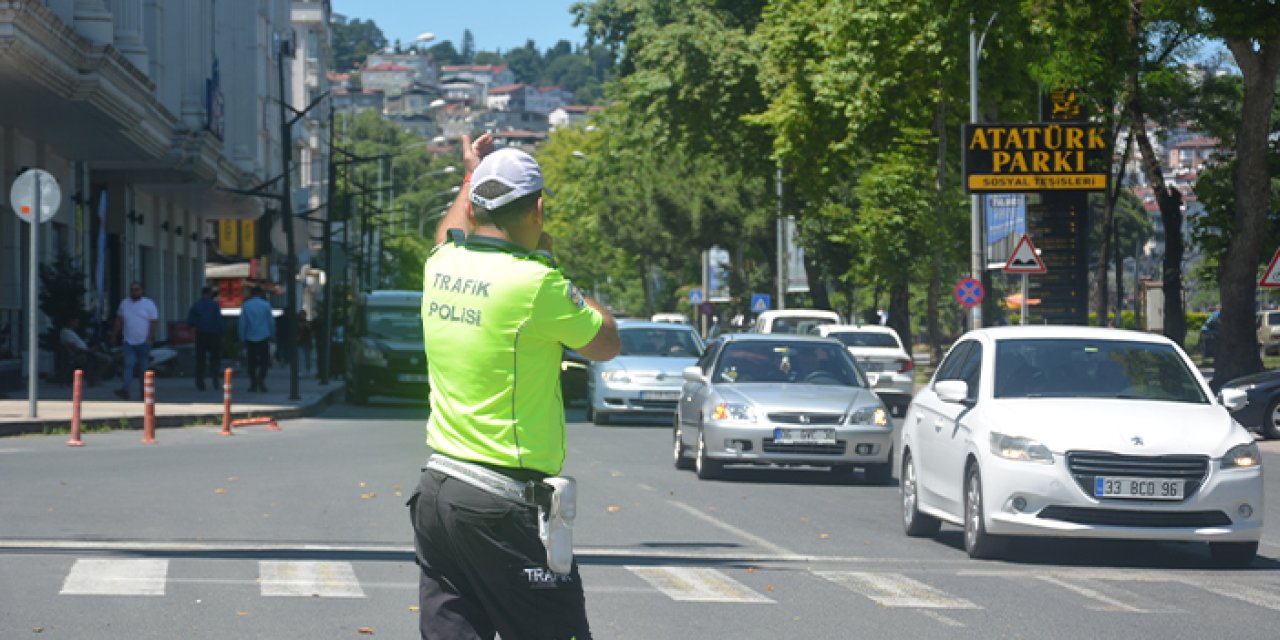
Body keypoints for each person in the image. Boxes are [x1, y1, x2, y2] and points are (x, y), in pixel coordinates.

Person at [409, 135, 620, 640]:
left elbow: (449, 231)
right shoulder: (534, 283)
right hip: (500, 504)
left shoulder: (441, 265)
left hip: (438, 493)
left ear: (477, 202)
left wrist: (470, 173)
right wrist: (556, 271)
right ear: (539, 208)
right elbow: (606, 341)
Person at [112, 281, 159, 400]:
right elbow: (119, 320)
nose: (134, 292)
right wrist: (114, 335)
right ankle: (125, 389)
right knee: (128, 365)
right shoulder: (124, 304)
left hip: (143, 341)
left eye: (137, 289)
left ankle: (144, 392)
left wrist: (150, 338)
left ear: (142, 291)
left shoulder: (148, 304)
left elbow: (154, 322)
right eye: (132, 289)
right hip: (128, 341)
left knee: (143, 367)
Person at [187, 286, 223, 391]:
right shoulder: (214, 305)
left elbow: (190, 321)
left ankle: (200, 382)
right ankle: (215, 379)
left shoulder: (196, 305)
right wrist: (222, 334)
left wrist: (196, 326)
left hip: (201, 334)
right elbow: (219, 320)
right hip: (214, 335)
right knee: (215, 358)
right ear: (209, 294)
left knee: (200, 359)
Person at [239, 287, 275, 392]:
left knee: (251, 362)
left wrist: (242, 337)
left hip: (250, 338)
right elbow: (271, 322)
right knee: (264, 361)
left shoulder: (246, 305)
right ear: (260, 293)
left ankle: (253, 382)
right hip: (264, 336)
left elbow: (242, 323)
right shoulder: (266, 305)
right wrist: (272, 335)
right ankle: (261, 379)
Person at [60, 317, 111, 385]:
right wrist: (89, 350)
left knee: (105, 356)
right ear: (70, 322)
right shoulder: (65, 332)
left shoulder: (71, 332)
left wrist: (91, 349)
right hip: (81, 355)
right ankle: (94, 379)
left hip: (86, 352)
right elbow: (74, 348)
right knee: (107, 359)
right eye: (75, 322)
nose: (77, 324)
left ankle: (94, 378)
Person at [297, 310, 314, 374]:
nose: (303, 316)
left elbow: (311, 332)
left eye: (303, 315)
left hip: (307, 342)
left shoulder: (307, 323)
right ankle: (300, 371)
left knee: (308, 358)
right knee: (300, 358)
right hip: (300, 342)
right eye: (301, 315)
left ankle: (308, 370)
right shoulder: (297, 323)